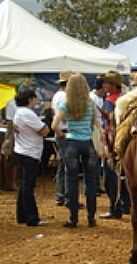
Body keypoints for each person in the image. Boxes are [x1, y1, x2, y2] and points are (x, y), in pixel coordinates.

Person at [52, 73, 99, 228]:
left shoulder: (66, 103)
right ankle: (91, 218)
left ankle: (73, 219)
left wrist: (62, 135)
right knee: (91, 182)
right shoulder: (90, 103)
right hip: (87, 143)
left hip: (71, 143)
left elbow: (54, 125)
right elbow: (94, 125)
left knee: (71, 181)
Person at [13, 88, 49, 226]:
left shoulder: (20, 112)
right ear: (29, 99)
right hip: (29, 153)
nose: (37, 101)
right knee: (28, 186)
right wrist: (44, 124)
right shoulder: (27, 113)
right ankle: (32, 218)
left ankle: (22, 215)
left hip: (23, 151)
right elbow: (44, 131)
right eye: (35, 98)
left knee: (24, 185)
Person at [100, 70, 130, 219]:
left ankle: (115, 208)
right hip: (126, 141)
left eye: (106, 82)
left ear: (113, 85)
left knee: (110, 178)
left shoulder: (110, 102)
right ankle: (126, 206)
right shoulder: (125, 99)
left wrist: (107, 147)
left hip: (113, 143)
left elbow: (109, 126)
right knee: (124, 176)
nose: (103, 85)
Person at [51, 71, 73, 206]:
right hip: (64, 131)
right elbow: (64, 116)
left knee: (63, 164)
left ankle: (61, 195)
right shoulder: (64, 97)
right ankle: (66, 196)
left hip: (61, 131)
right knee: (68, 165)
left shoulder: (57, 95)